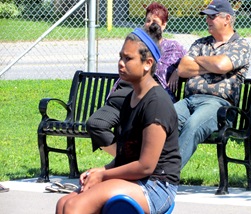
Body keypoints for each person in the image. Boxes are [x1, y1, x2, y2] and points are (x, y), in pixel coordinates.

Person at [56, 24, 181, 214]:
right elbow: (126, 156)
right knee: (64, 203)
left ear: (147, 63)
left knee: (75, 207)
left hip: (157, 186)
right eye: (120, 57)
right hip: (136, 179)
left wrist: (104, 175)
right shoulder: (129, 99)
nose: (121, 63)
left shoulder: (156, 103)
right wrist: (99, 171)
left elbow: (145, 166)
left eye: (128, 58)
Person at [87, 2, 186, 156]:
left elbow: (190, 60)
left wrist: (178, 70)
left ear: (164, 25)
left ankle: (129, 164)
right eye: (147, 21)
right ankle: (124, 160)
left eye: (155, 22)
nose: (150, 25)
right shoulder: (136, 43)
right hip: (122, 96)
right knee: (95, 124)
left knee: (135, 131)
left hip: (146, 99)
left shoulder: (173, 47)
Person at [174, 0, 251, 168]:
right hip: (190, 101)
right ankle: (145, 169)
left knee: (193, 125)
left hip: (219, 106)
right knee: (159, 119)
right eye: (206, 16)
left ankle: (164, 178)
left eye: (213, 16)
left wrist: (199, 60)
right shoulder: (200, 43)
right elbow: (183, 69)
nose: (207, 20)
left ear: (227, 19)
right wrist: (213, 66)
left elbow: (222, 65)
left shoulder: (240, 45)